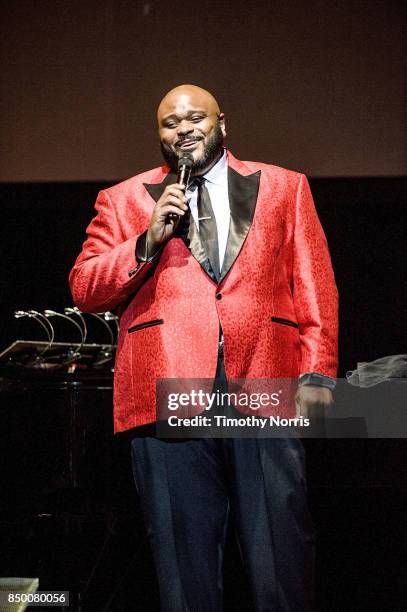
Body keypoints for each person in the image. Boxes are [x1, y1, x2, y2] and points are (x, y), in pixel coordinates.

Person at [70, 84, 338, 611]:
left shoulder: (286, 187)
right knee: (182, 562)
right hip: (167, 388)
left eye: (195, 118)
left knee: (280, 555)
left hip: (263, 384)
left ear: (222, 123)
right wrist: (144, 241)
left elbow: (315, 284)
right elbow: (84, 287)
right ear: (160, 135)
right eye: (170, 123)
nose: (183, 129)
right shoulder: (123, 199)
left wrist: (318, 372)